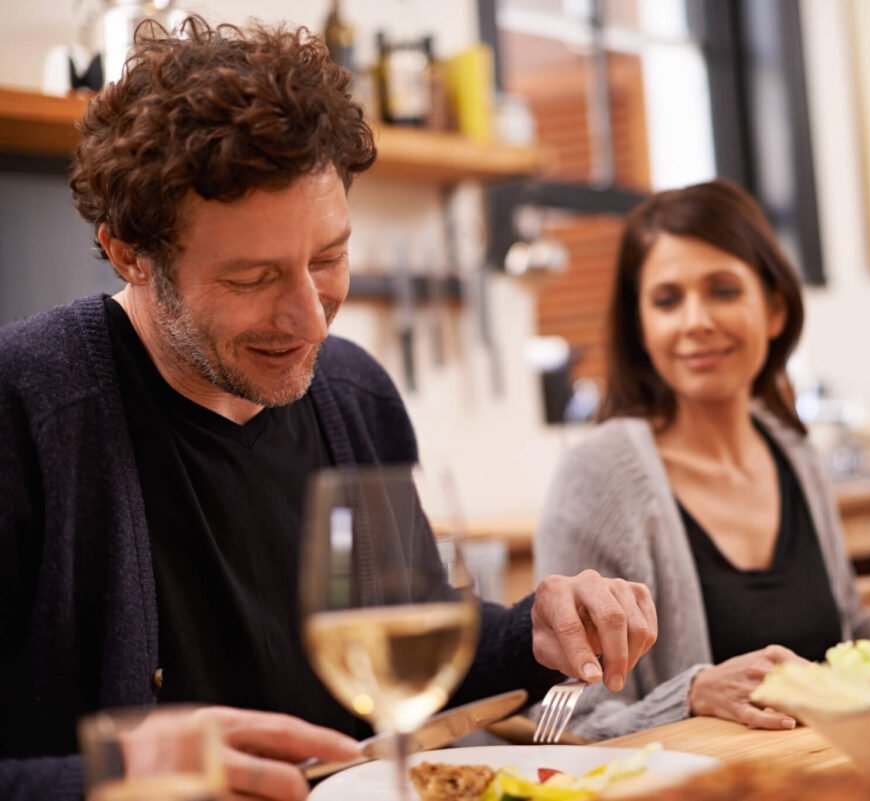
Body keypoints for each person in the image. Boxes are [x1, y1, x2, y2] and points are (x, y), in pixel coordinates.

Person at [0, 18, 656, 801]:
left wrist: (534, 632)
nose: (310, 319)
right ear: (129, 255)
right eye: (252, 279)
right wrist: (113, 774)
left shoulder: (353, 396)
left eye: (329, 258)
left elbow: (402, 664)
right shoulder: (29, 408)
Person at [533, 180, 870, 741]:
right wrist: (692, 695)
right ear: (641, 328)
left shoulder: (795, 452)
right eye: (667, 300)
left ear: (774, 310)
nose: (695, 320)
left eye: (722, 290)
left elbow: (848, 637)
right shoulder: (598, 475)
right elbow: (567, 719)